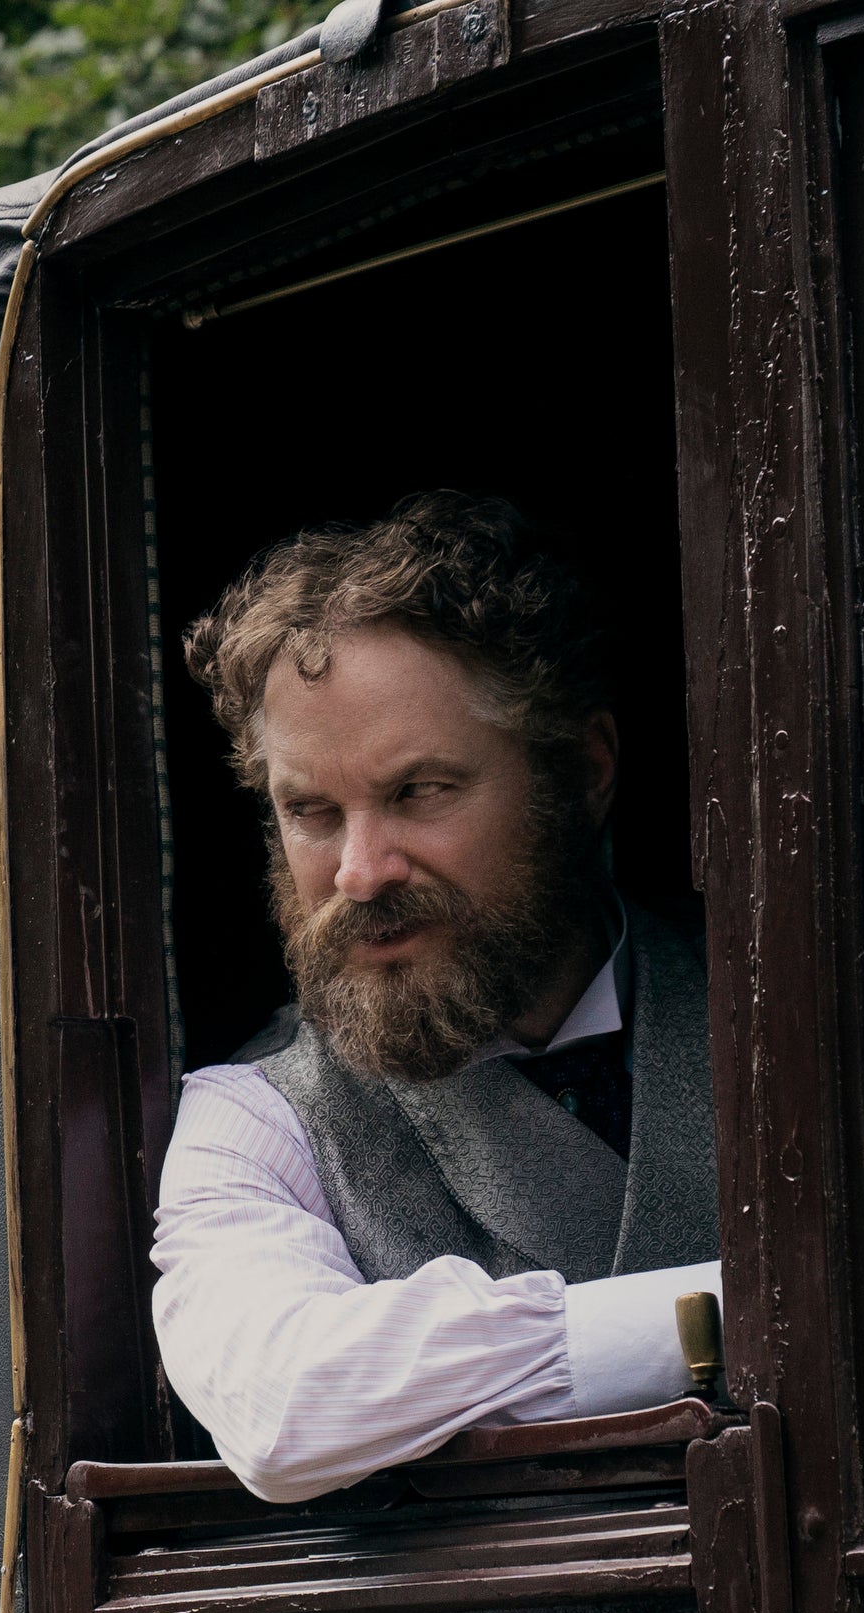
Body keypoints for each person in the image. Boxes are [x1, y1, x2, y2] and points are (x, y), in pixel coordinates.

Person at [152, 494, 722, 1503]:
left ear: (583, 773)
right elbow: (289, 1407)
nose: (360, 871)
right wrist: (749, 1313)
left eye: (418, 792)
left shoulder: (814, 1014)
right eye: (312, 811)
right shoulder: (251, 1124)